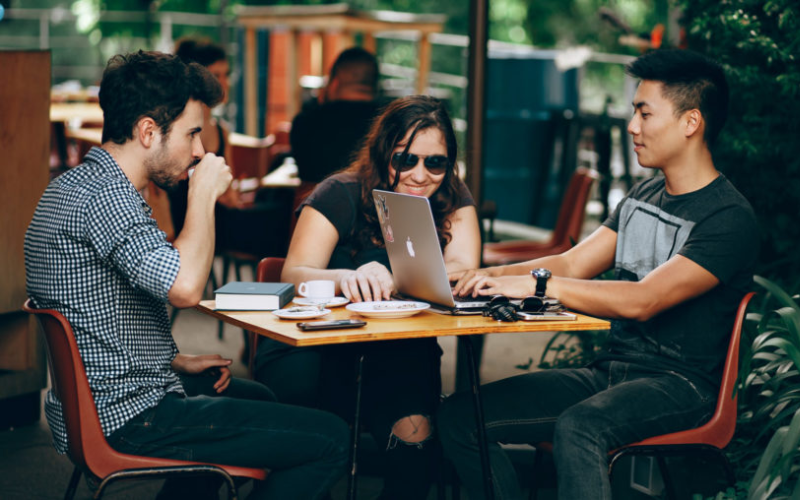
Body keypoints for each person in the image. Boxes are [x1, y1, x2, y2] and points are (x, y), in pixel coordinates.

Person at [24, 50, 348, 500]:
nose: (200, 150)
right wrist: (202, 196)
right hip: (127, 414)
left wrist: (170, 361)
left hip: (95, 402)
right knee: (331, 438)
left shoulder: (74, 187)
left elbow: (94, 312)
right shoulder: (107, 200)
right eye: (193, 133)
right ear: (148, 132)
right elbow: (186, 288)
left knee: (262, 400)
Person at [438, 49, 758, 500]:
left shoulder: (728, 217)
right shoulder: (644, 193)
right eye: (634, 112)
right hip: (610, 373)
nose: (632, 127)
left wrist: (535, 284)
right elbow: (571, 263)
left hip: (680, 386)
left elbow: (644, 299)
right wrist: (480, 276)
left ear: (691, 122)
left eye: (645, 113)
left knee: (580, 427)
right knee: (460, 418)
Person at [256, 95, 482, 499]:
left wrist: (395, 275)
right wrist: (349, 276)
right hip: (317, 347)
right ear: (383, 155)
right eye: (405, 160)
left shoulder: (451, 197)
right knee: (311, 446)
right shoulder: (339, 192)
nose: (420, 174)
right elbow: (293, 274)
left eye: (435, 162)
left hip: (396, 353)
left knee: (416, 454)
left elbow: (463, 268)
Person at [290, 46, 383, 183]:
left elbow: (304, 174)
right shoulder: (389, 122)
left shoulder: (305, 122)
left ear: (334, 82)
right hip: (371, 203)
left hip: (314, 202)